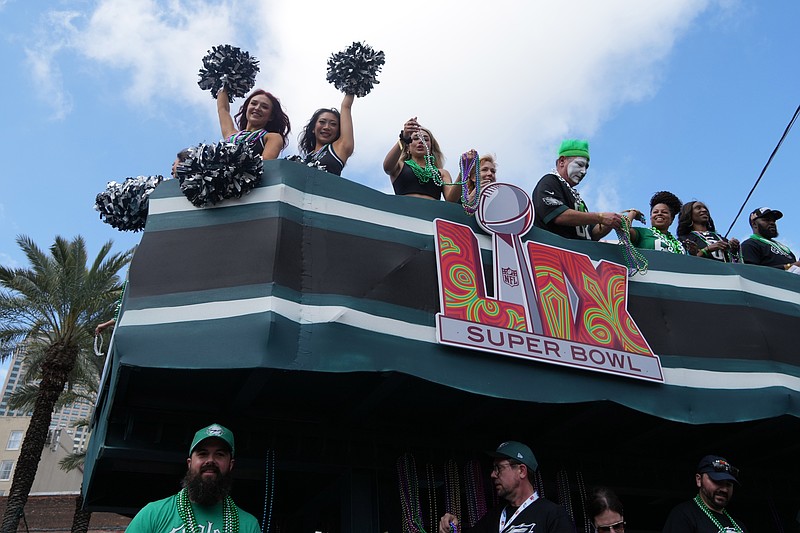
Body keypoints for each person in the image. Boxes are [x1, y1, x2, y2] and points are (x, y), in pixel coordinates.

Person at [126, 423, 261, 533]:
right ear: (189, 463)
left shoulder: (248, 525)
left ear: (230, 465)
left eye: (219, 454)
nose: (210, 460)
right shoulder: (153, 513)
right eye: (203, 454)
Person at [438, 441, 574, 533]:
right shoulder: (493, 517)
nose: (492, 474)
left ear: (521, 471)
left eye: (499, 468)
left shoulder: (553, 515)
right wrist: (451, 524)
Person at [532, 139, 622, 240]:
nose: (584, 172)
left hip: (579, 253)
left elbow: (592, 234)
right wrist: (600, 217)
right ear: (562, 161)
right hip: (554, 251)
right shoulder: (549, 181)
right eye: (580, 164)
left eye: (586, 167)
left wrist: (613, 221)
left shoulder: (576, 197)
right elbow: (558, 215)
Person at [662, 455, 748, 533]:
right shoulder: (683, 516)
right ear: (699, 480)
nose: (724, 489)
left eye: (728, 484)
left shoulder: (739, 526)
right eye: (717, 481)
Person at [383, 117, 458, 202]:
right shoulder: (400, 165)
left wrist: (464, 170)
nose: (421, 141)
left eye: (425, 139)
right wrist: (403, 138)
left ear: (431, 147)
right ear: (408, 147)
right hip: (404, 212)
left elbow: (451, 199)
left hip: (432, 213)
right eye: (415, 138)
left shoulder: (442, 173)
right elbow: (387, 167)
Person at [217, 87, 291, 160]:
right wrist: (225, 81)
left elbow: (265, 164)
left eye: (264, 107)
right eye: (253, 103)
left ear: (271, 116)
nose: (257, 108)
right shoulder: (232, 135)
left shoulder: (272, 137)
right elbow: (223, 109)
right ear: (247, 108)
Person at [296, 94, 355, 176]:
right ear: (313, 128)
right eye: (322, 122)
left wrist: (351, 87)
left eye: (333, 124)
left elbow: (346, 106)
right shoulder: (308, 157)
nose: (327, 127)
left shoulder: (341, 148)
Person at [676, 201, 741, 262]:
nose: (704, 210)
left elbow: (733, 262)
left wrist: (733, 250)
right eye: (698, 208)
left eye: (705, 208)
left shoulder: (721, 238)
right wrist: (707, 250)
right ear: (688, 214)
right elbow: (686, 263)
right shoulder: (685, 239)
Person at [741, 207, 800, 273]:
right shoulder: (750, 245)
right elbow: (751, 272)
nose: (772, 223)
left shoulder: (785, 249)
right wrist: (789, 266)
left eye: (774, 220)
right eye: (766, 220)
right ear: (754, 224)